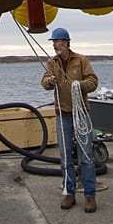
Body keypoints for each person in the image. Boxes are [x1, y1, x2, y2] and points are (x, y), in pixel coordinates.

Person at [41, 27, 99, 214]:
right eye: (53, 42)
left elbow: (93, 81)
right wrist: (49, 81)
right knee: (65, 157)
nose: (54, 45)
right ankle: (69, 192)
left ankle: (90, 195)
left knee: (86, 156)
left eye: (56, 42)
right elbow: (43, 82)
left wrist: (79, 85)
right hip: (62, 114)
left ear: (65, 42)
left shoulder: (81, 60)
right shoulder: (52, 63)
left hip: (81, 113)